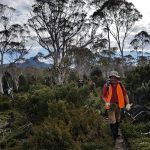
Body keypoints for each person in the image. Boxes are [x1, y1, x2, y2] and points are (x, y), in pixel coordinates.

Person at [102, 70, 132, 141]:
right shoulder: (107, 85)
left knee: (117, 119)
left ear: (117, 78)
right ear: (110, 78)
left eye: (114, 77)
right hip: (110, 105)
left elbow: (125, 95)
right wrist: (106, 102)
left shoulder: (121, 85)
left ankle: (116, 132)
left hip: (119, 105)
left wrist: (127, 103)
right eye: (111, 77)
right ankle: (113, 136)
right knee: (112, 120)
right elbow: (103, 96)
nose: (113, 79)